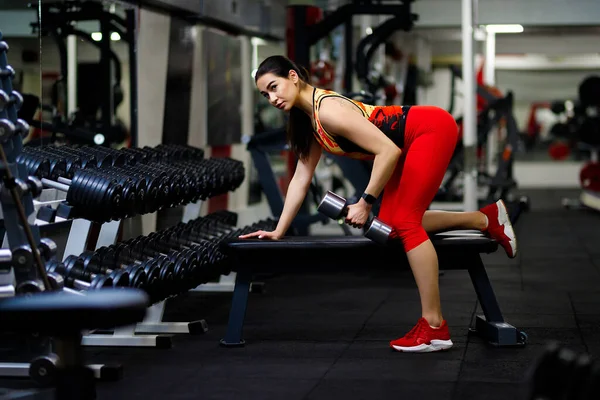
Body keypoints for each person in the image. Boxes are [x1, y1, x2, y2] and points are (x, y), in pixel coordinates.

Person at [239, 55, 517, 353]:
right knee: (393, 228)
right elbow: (300, 178)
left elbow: (387, 150)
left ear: (293, 76)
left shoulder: (329, 110)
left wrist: (365, 202)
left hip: (429, 130)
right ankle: (485, 219)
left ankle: (435, 327)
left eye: (274, 87)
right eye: (265, 94)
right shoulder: (310, 120)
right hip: (407, 142)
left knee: (407, 224)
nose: (272, 97)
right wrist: (279, 230)